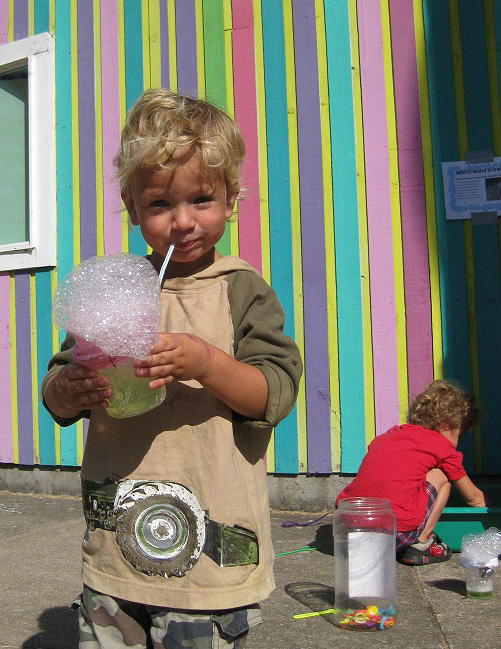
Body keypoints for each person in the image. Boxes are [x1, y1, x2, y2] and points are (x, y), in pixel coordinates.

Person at [41, 88, 302, 648]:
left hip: (212, 547)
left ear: (232, 199)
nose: (182, 221)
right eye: (159, 204)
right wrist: (71, 388)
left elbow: (271, 394)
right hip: (116, 546)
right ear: (133, 209)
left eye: (202, 200)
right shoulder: (115, 291)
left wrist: (204, 360)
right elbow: (57, 395)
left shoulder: (242, 290)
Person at [336, 379, 486, 566]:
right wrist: (490, 524)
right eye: (459, 434)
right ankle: (422, 541)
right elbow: (474, 498)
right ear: (446, 424)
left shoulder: (388, 436)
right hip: (394, 536)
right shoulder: (442, 446)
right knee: (443, 476)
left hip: (348, 533)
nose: (458, 442)